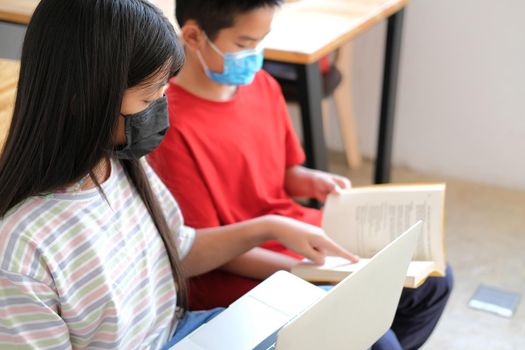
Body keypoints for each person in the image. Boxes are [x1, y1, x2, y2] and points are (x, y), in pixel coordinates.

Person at [0, 1, 355, 349]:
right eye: (147, 100)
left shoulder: (121, 166)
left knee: (340, 310)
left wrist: (269, 226)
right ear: (86, 97)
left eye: (164, 93)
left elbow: (179, 250)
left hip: (184, 329)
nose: (160, 112)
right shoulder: (22, 249)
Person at [147, 0, 454, 349]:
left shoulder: (262, 86)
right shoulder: (168, 126)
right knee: (374, 332)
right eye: (245, 45)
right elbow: (200, 248)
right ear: (193, 35)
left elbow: (285, 172)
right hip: (236, 269)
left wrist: (313, 181)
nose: (256, 55)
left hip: (298, 237)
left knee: (434, 281)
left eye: (262, 42)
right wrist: (310, 272)